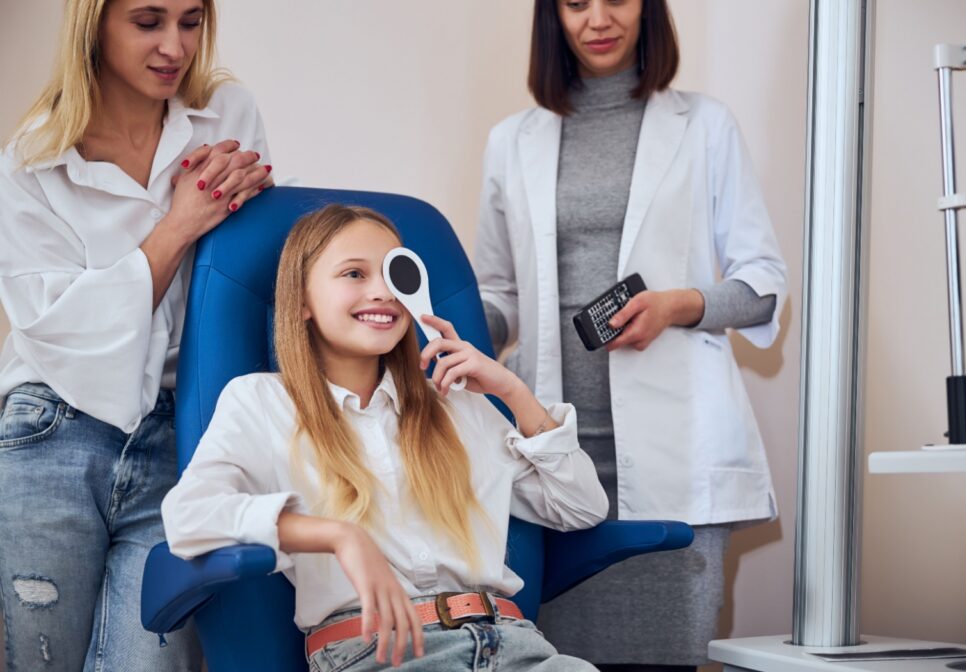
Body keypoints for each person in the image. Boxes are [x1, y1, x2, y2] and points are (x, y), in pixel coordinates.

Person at [473, 1, 788, 670]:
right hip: (553, 452)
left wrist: (677, 304)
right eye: (576, 4)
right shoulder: (511, 140)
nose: (597, 19)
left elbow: (762, 282)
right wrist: (454, 336)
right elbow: (499, 294)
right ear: (552, 18)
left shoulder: (705, 125)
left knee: (666, 657)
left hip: (675, 454)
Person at [160, 204, 609, 671]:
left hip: (516, 647)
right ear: (302, 301)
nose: (382, 292)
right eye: (354, 273)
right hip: (380, 654)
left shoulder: (454, 403)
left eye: (395, 275)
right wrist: (339, 536)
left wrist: (511, 391)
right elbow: (189, 516)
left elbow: (581, 507)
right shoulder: (261, 402)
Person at [0, 0, 273, 669]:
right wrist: (179, 224)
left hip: (182, 441)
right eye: (148, 22)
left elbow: (252, 272)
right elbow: (62, 336)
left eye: (191, 21)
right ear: (94, 25)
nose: (175, 48)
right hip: (51, 433)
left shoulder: (228, 115)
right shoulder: (31, 160)